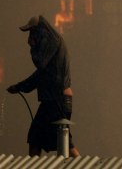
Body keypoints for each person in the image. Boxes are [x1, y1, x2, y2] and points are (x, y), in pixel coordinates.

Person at [7, 15, 80, 157]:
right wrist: (19, 87)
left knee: (63, 141)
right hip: (53, 100)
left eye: (32, 33)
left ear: (38, 31)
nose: (30, 37)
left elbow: (40, 66)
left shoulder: (50, 41)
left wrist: (33, 48)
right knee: (41, 138)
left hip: (57, 99)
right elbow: (41, 75)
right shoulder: (52, 42)